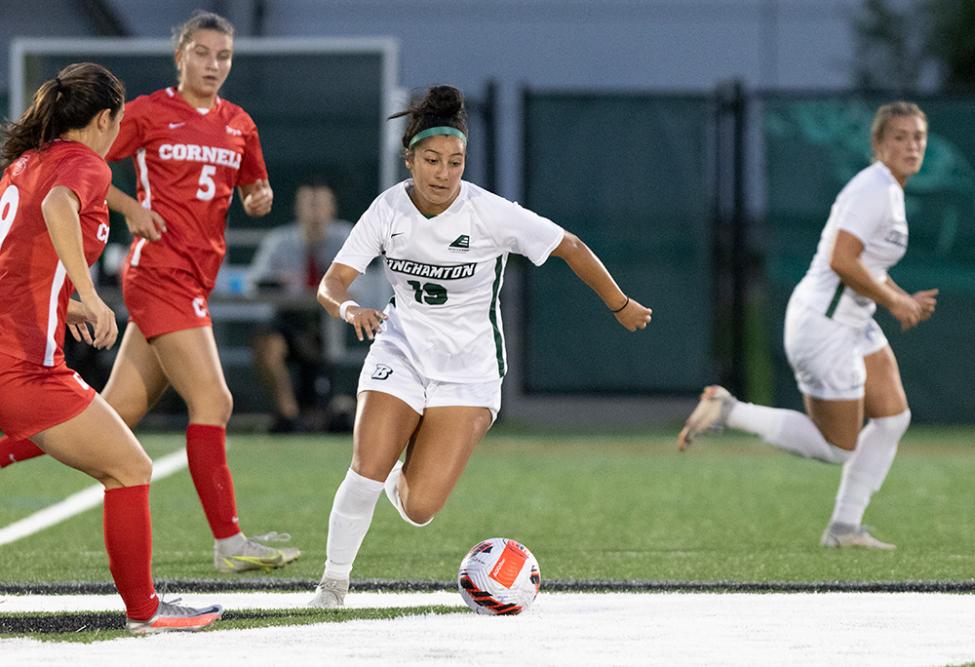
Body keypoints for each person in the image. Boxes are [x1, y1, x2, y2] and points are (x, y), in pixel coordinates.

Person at [307, 85, 653, 608]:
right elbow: (331, 284)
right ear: (409, 160)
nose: (444, 173)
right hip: (399, 352)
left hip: (469, 371)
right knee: (364, 469)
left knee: (420, 507)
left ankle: (400, 471)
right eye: (431, 160)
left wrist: (620, 303)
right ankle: (332, 585)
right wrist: (351, 309)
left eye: (455, 161)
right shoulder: (387, 210)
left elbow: (570, 246)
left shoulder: (488, 212)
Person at [0, 11, 300, 573]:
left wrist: (258, 196)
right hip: (160, 273)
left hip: (196, 276)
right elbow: (81, 171)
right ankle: (229, 542)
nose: (214, 65)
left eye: (224, 56)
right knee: (215, 401)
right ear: (180, 54)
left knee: (109, 416)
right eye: (203, 52)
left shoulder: (239, 124)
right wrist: (130, 205)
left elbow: (254, 186)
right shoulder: (145, 113)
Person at [0, 62, 222, 633]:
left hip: (10, 350)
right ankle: (145, 610)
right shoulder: (84, 164)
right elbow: (57, 211)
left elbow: (15, 260)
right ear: (104, 119)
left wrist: (61, 304)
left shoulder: (24, 164)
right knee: (130, 468)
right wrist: (90, 295)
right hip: (22, 365)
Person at [678, 101, 937, 550]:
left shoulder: (890, 190)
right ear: (878, 145)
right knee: (839, 446)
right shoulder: (872, 188)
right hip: (824, 325)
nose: (911, 145)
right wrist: (895, 300)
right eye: (899, 137)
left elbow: (867, 263)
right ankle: (730, 410)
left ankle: (844, 529)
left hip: (853, 320)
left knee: (893, 418)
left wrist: (898, 296)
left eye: (918, 136)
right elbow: (841, 260)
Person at [249, 177, 353, 433]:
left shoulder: (348, 237)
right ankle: (289, 416)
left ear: (332, 208)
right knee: (266, 343)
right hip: (289, 322)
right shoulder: (279, 241)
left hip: (335, 323)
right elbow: (256, 283)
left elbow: (362, 284)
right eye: (308, 204)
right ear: (298, 208)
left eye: (320, 204)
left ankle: (335, 412)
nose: (314, 212)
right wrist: (280, 285)